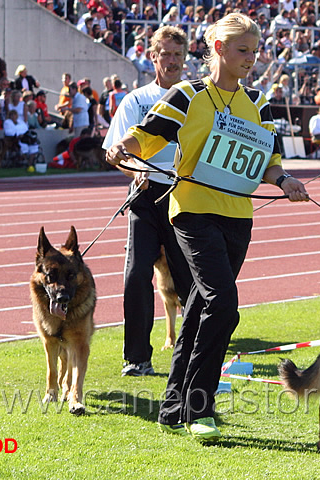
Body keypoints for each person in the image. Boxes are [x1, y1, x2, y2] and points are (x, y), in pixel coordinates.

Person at [105, 12, 308, 441]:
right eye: (242, 50)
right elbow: (147, 135)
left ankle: (173, 405)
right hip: (192, 211)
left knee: (200, 307)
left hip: (239, 218)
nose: (251, 59)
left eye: (254, 51)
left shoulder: (259, 102)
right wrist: (123, 148)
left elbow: (269, 162)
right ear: (219, 49)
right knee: (224, 303)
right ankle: (202, 405)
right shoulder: (187, 94)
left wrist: (285, 180)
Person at [102, 25, 194, 378]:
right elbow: (118, 150)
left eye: (177, 55)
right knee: (137, 274)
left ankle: (192, 356)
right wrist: (133, 170)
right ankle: (137, 357)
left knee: (190, 280)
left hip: (185, 195)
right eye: (165, 54)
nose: (171, 61)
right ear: (153, 57)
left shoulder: (198, 100)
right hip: (144, 196)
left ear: (185, 60)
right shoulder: (135, 100)